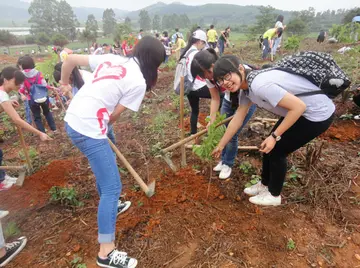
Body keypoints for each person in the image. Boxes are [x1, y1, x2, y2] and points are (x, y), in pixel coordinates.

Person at [59, 36, 165, 268]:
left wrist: (64, 82)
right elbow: (113, 116)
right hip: (89, 128)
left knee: (109, 153)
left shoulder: (112, 58)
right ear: (154, 63)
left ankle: (112, 205)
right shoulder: (138, 83)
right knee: (112, 187)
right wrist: (102, 119)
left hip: (74, 118)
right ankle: (106, 253)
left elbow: (69, 59)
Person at [211, 55, 335, 206]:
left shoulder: (260, 85)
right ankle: (264, 185)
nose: (225, 83)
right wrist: (221, 145)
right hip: (300, 112)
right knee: (268, 146)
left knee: (277, 150)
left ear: (240, 69)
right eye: (220, 80)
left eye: (227, 76)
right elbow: (237, 118)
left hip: (317, 114)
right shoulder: (246, 90)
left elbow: (299, 107)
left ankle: (274, 194)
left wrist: (275, 136)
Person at [191, 49, 257, 179]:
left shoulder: (237, 70)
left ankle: (228, 163)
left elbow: (248, 96)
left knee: (232, 134)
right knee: (222, 130)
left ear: (215, 63)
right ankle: (223, 158)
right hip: (228, 101)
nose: (210, 76)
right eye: (205, 76)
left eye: (210, 72)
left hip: (247, 101)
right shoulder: (211, 78)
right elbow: (215, 99)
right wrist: (212, 120)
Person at [0, 67, 52, 191]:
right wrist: (39, 133)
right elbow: (17, 120)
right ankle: (1, 182)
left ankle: (2, 177)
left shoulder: (3, 94)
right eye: (16, 82)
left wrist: (7, 104)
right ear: (6, 80)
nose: (19, 85)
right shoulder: (2, 95)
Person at [53, 63, 117, 146]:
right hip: (94, 115)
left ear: (68, 75)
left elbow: (91, 102)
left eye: (62, 80)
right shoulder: (75, 81)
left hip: (100, 112)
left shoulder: (87, 79)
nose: (62, 84)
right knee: (105, 137)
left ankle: (111, 152)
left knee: (106, 135)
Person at [179, 29, 210, 135]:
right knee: (220, 97)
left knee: (195, 110)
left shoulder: (186, 52)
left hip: (188, 87)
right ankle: (214, 122)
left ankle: (193, 133)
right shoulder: (196, 54)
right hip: (197, 86)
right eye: (204, 43)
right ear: (200, 42)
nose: (203, 45)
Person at [19, 56, 57, 134]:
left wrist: (22, 93)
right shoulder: (38, 73)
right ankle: (54, 129)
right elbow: (44, 85)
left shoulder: (22, 76)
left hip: (31, 98)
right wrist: (50, 87)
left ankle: (42, 133)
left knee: (37, 117)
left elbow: (22, 88)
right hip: (43, 97)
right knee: (47, 112)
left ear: (23, 65)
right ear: (32, 64)